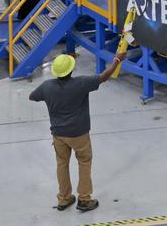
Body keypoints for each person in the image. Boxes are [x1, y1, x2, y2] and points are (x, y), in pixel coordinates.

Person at [29, 50, 125, 213]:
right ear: (71, 70)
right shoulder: (81, 83)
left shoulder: (47, 86)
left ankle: (64, 198)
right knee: (84, 162)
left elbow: (32, 96)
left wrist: (49, 97)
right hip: (79, 134)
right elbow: (104, 77)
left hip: (58, 134)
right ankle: (84, 200)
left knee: (62, 164)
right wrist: (117, 60)